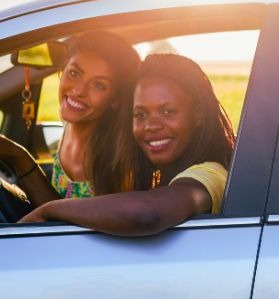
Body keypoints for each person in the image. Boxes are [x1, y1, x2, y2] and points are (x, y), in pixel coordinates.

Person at [19, 54, 236, 236]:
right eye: (140, 114)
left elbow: (147, 214)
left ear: (198, 116)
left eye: (168, 112)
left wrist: (50, 210)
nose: (151, 125)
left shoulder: (210, 175)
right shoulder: (168, 177)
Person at [0, 31, 141, 206]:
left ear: (115, 99)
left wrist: (20, 158)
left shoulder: (114, 160)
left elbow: (70, 227)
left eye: (98, 85)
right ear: (63, 70)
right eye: (74, 73)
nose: (79, 90)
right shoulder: (69, 123)